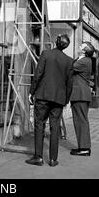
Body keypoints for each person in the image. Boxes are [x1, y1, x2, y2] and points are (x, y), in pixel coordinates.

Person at [26, 34, 73, 167]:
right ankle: (53, 159)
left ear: (56, 42)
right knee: (55, 127)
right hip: (59, 99)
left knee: (39, 124)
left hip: (43, 95)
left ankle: (38, 157)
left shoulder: (46, 54)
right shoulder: (69, 61)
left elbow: (38, 74)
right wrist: (66, 100)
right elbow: (70, 83)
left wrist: (31, 91)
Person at [70, 42, 95, 156]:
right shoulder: (84, 60)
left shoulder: (84, 61)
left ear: (85, 50)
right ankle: (82, 146)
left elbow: (70, 67)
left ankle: (84, 148)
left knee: (81, 121)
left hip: (80, 95)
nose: (79, 46)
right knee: (80, 121)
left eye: (82, 45)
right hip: (81, 94)